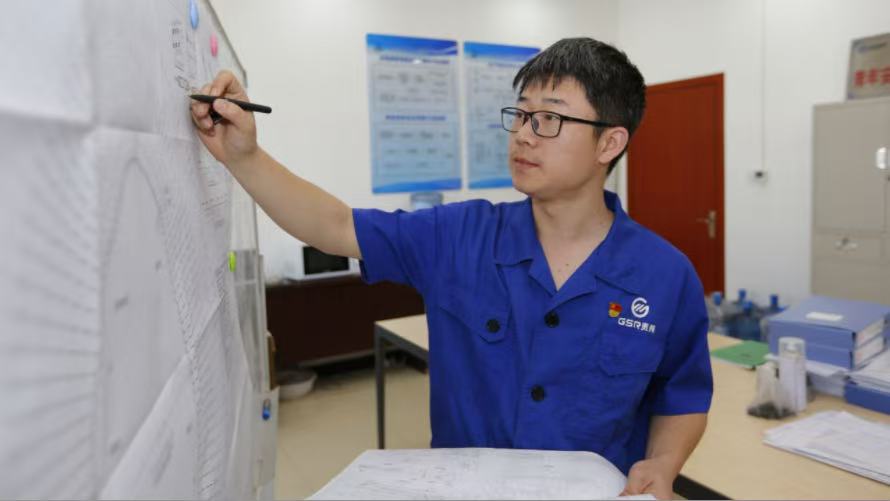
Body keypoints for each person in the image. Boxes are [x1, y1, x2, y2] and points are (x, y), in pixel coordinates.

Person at [191, 37, 712, 500]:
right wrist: (245, 157)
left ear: (609, 143)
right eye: (521, 114)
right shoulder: (459, 236)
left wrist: (664, 465)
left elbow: (682, 393)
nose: (524, 135)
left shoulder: (665, 275)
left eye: (550, 119)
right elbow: (335, 226)